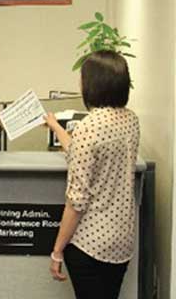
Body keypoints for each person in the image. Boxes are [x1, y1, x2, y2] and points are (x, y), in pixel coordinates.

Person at [44, 50, 140, 299]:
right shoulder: (131, 120)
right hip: (122, 241)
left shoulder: (90, 126)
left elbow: (76, 202)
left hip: (91, 244)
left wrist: (57, 251)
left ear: (93, 84)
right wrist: (55, 126)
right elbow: (79, 152)